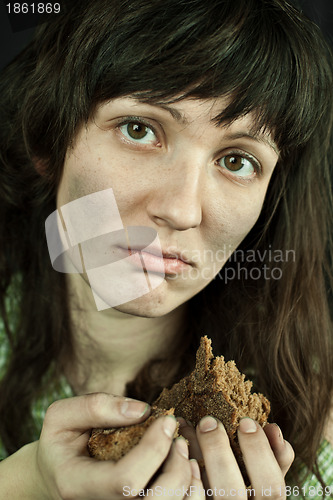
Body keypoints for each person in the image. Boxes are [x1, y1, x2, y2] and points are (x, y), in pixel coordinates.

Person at [0, 0, 332, 498]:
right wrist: (26, 484)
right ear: (49, 139)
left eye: (237, 160)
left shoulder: (316, 429)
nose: (181, 210)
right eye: (140, 129)